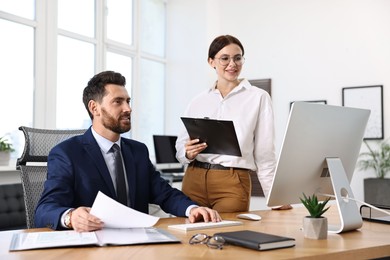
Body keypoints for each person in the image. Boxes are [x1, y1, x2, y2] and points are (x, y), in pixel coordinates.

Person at [35, 71, 221, 232]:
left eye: (128, 101)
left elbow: (164, 193)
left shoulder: (138, 151)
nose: (128, 108)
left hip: (138, 243)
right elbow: (45, 210)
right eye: (118, 102)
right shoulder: (67, 153)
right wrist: (71, 217)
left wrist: (191, 209)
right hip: (92, 246)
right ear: (94, 108)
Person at [176, 35, 284, 212]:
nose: (232, 64)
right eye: (225, 58)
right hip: (193, 178)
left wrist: (274, 198)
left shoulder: (258, 97)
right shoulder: (198, 100)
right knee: (189, 236)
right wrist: (187, 153)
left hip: (232, 182)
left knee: (228, 235)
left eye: (237, 58)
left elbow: (265, 154)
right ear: (212, 62)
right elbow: (180, 148)